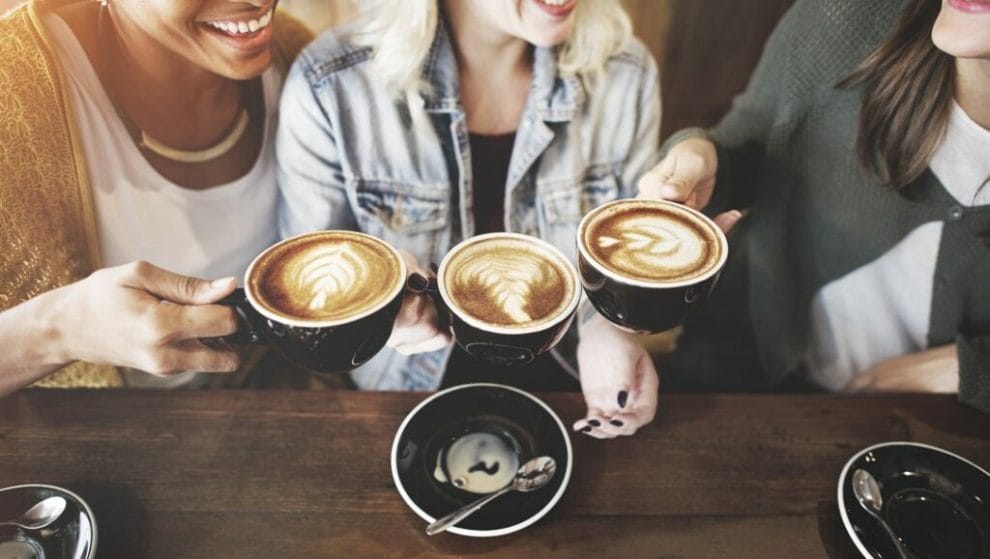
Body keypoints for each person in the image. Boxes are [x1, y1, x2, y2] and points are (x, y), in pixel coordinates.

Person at [277, 0, 663, 437]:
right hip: (398, 400)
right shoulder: (331, 83)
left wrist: (609, 329)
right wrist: (373, 301)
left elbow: (625, 268)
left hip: (572, 387)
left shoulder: (626, 73)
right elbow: (308, 299)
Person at [639, 0, 990, 412]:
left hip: (940, 429)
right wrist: (701, 155)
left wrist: (968, 368)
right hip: (735, 367)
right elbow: (749, 144)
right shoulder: (846, 15)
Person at [0, 0, 312, 397]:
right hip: (91, 439)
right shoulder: (10, 89)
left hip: (272, 406)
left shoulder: (295, 53)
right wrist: (59, 330)